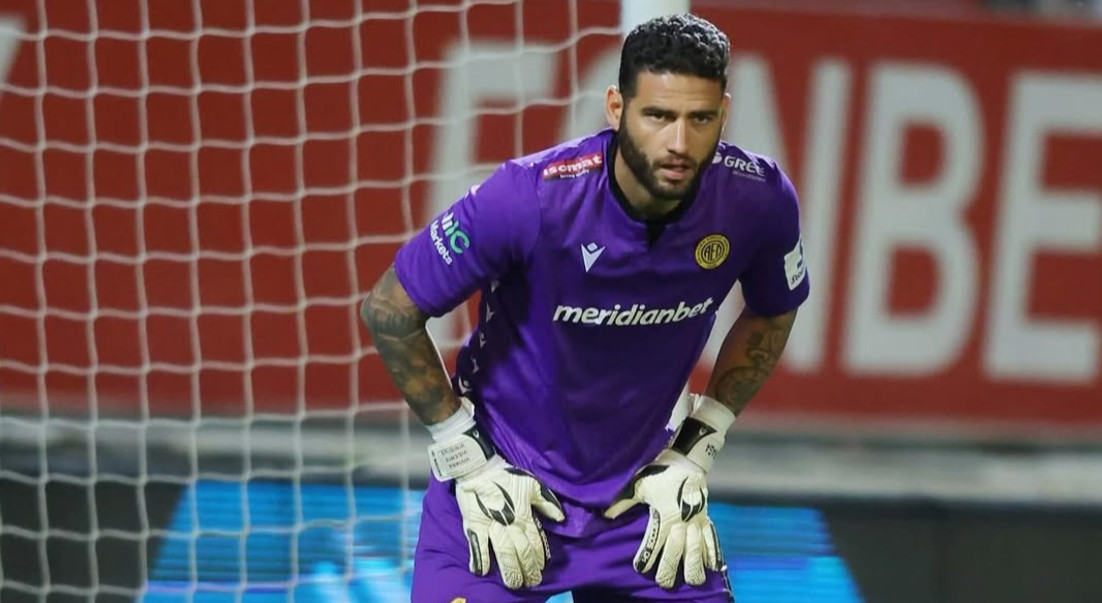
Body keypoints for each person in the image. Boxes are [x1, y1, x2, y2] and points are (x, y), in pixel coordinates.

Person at [360, 13, 809, 603]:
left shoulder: (758, 199)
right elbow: (389, 309)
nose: (679, 143)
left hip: (644, 503)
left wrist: (700, 443)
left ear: (723, 114)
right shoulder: (528, 198)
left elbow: (774, 308)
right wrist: (463, 453)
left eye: (699, 119)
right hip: (501, 495)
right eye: (658, 116)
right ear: (616, 108)